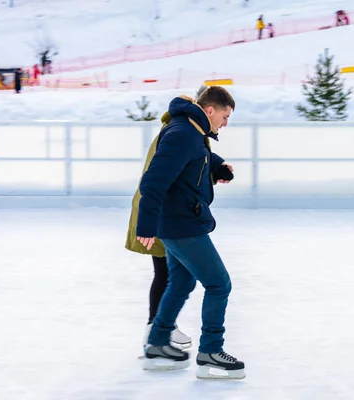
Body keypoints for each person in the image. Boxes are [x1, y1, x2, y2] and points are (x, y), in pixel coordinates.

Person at [136, 86, 245, 379]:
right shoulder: (184, 133)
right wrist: (145, 225)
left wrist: (217, 166)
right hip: (182, 225)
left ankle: (158, 342)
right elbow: (153, 182)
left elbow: (194, 160)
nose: (225, 123)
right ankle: (210, 351)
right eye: (225, 116)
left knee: (181, 281)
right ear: (210, 110)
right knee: (219, 284)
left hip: (177, 223)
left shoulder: (191, 131)